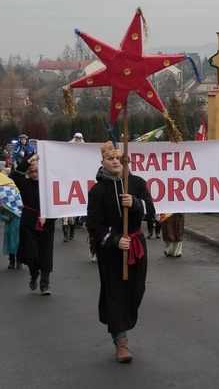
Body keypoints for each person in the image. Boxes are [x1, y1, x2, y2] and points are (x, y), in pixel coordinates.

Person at [86, 141, 155, 363]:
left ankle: (123, 324)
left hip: (136, 245)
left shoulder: (136, 183)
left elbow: (150, 210)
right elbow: (94, 225)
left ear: (125, 161)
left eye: (118, 158)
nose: (115, 162)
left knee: (136, 291)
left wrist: (134, 203)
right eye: (110, 159)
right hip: (112, 251)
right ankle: (120, 340)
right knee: (115, 293)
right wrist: (115, 241)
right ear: (103, 163)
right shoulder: (97, 190)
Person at [11, 153, 56, 295]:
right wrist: (27, 161)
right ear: (28, 173)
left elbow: (56, 205)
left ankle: (45, 284)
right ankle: (33, 273)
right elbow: (16, 174)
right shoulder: (24, 184)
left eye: (37, 171)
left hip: (47, 223)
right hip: (29, 222)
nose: (35, 174)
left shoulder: (48, 185)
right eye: (31, 172)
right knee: (31, 254)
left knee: (45, 254)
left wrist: (47, 218)